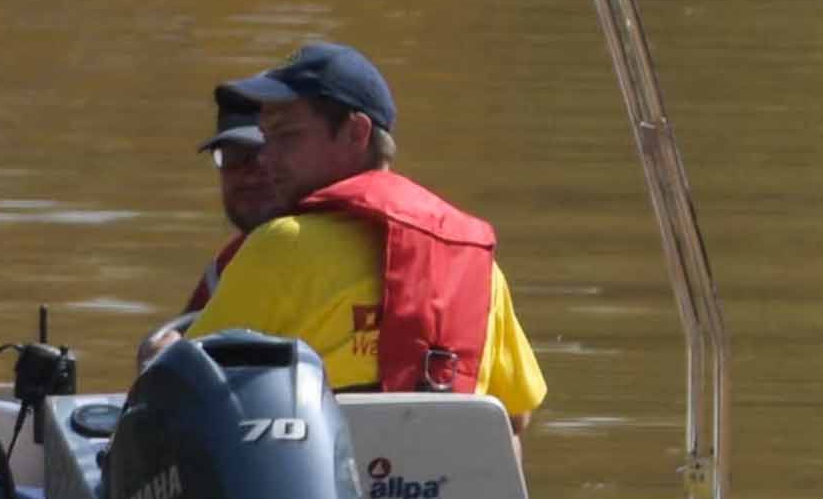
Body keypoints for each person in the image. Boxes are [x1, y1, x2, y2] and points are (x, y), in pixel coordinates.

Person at [190, 42, 545, 428]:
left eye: (287, 136)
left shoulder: (281, 244)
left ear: (356, 133)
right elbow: (515, 415)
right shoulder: (478, 264)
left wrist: (160, 354)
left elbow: (186, 389)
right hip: (442, 486)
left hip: (319, 485)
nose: (266, 156)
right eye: (266, 137)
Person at [141, 98, 287, 364]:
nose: (248, 175)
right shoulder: (223, 270)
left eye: (260, 156)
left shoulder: (340, 248)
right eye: (232, 158)